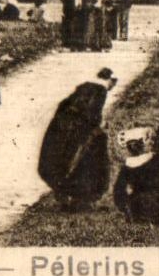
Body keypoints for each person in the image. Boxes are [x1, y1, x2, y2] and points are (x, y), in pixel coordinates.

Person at [37, 68, 116, 210]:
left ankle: (65, 195)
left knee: (60, 161)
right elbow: (91, 116)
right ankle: (82, 198)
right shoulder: (100, 90)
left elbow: (62, 108)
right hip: (77, 132)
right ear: (110, 80)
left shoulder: (83, 88)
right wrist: (99, 126)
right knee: (90, 154)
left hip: (60, 129)